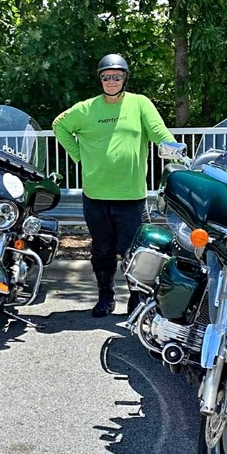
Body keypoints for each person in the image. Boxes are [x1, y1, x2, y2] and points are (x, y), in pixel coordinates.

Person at [53, 53, 175, 318]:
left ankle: (137, 300)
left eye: (117, 76)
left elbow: (159, 132)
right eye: (106, 76)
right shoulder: (86, 108)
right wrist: (78, 155)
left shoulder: (139, 104)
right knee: (102, 251)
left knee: (136, 253)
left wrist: (177, 153)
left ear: (124, 78)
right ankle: (105, 297)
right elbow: (59, 125)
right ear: (100, 79)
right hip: (95, 196)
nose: (111, 81)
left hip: (131, 197)